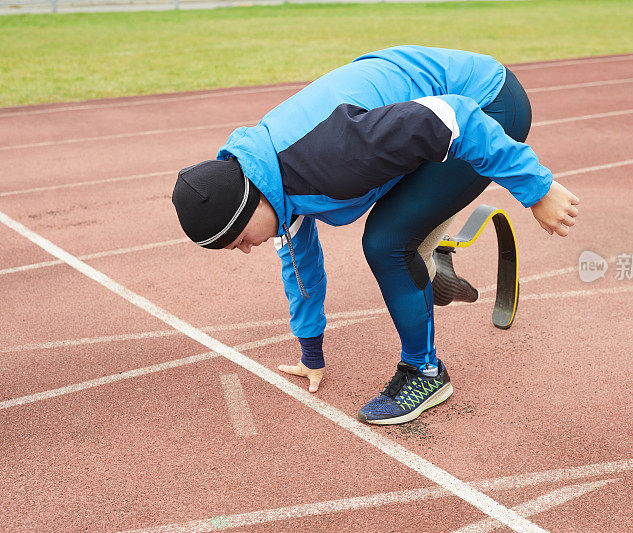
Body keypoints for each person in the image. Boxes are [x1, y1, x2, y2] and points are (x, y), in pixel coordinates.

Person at [172, 45, 579, 425]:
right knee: (399, 238)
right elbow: (301, 268)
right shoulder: (265, 180)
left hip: (488, 104)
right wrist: (311, 351)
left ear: (249, 205)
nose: (246, 250)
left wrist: (536, 187)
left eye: (240, 239)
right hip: (426, 119)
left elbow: (457, 119)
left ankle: (425, 372)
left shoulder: (333, 154)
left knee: (386, 244)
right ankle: (427, 261)